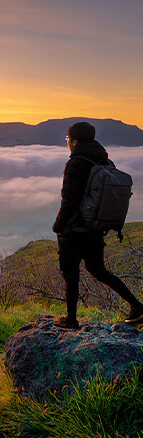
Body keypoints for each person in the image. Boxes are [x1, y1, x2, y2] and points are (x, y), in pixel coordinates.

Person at [52, 121, 143, 331]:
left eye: (68, 140)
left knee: (71, 273)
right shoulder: (104, 160)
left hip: (76, 229)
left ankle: (71, 320)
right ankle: (136, 305)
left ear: (74, 141)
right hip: (95, 228)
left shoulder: (75, 163)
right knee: (98, 270)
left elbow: (69, 200)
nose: (67, 143)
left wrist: (58, 226)